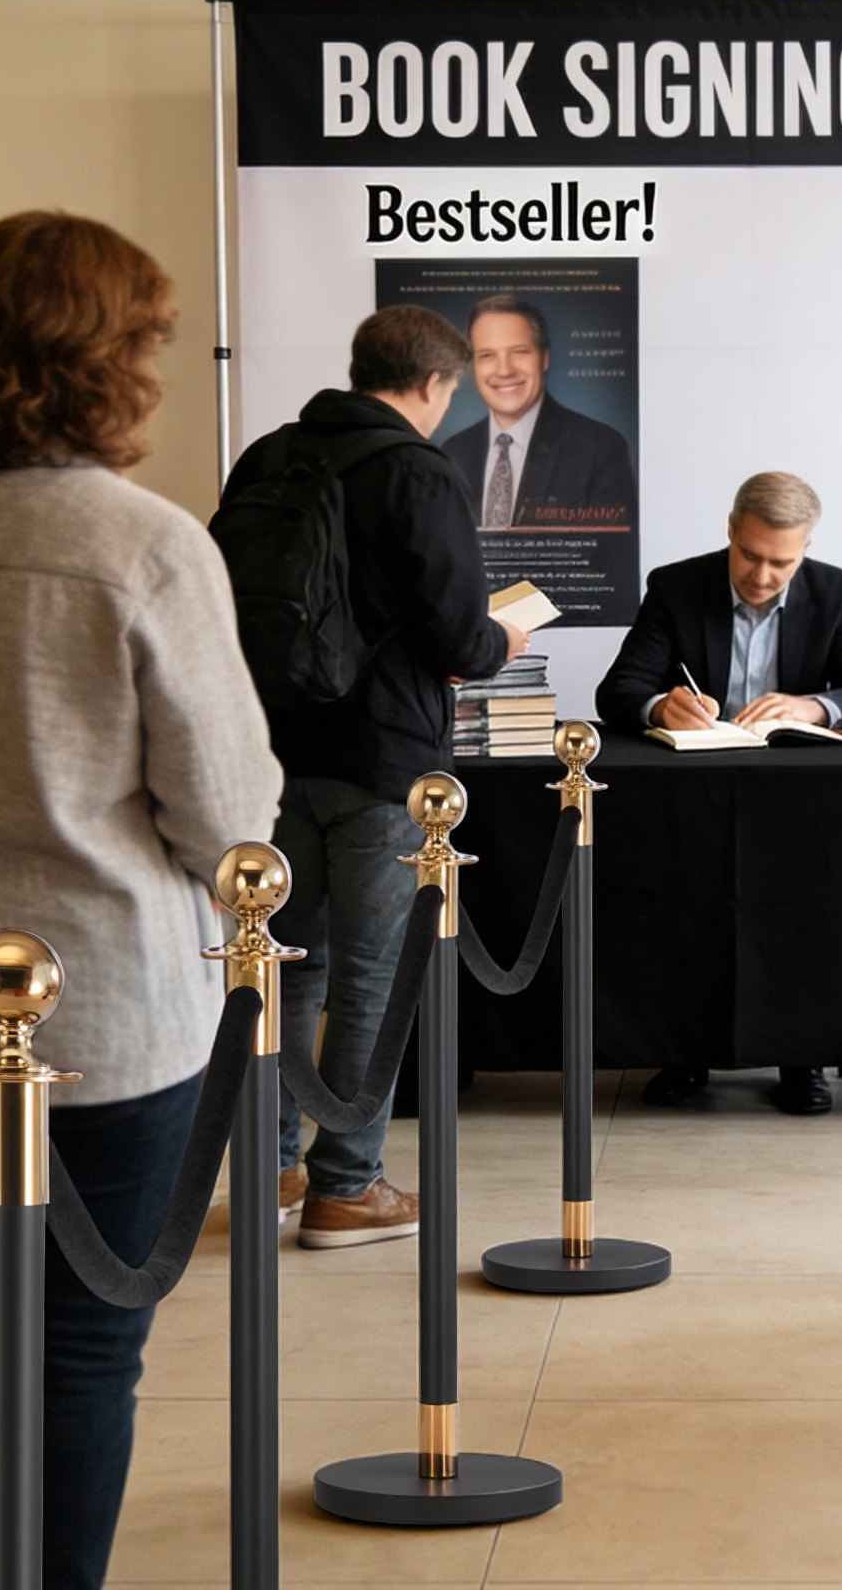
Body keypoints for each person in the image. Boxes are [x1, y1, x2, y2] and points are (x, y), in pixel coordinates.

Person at [0, 212, 282, 1590]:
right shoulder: (141, 546)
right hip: (101, 1012)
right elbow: (226, 817)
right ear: (112, 359)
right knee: (79, 1348)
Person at [222, 305, 526, 1248]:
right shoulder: (416, 470)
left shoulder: (269, 458)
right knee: (370, 979)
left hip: (272, 753)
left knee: (285, 970)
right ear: (436, 383)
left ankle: (272, 1171)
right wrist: (503, 639)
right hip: (383, 760)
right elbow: (459, 636)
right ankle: (347, 1186)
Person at [595, 470, 842, 1114]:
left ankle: (801, 1059)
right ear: (731, 531)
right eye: (750, 556)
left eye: (782, 563)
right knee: (688, 918)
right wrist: (659, 705)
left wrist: (812, 706)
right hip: (696, 794)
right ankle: (686, 1054)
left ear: (805, 550)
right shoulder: (676, 586)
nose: (762, 576)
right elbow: (617, 691)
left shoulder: (836, 592)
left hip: (796, 799)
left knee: (802, 919)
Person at [441, 293, 637, 530]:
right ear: (473, 366)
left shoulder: (600, 449)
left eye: (519, 351)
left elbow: (612, 550)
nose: (504, 370)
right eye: (487, 355)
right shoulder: (453, 454)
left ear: (544, 357)